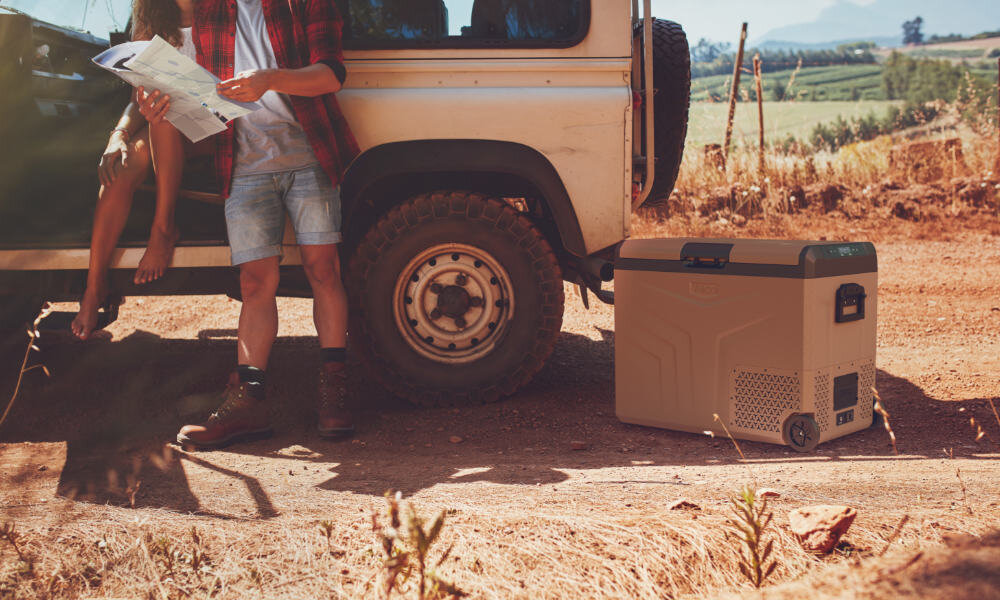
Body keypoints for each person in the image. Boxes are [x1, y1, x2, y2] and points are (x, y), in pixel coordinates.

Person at [174, 0, 360, 449]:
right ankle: (249, 403)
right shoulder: (211, 11)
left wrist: (269, 79)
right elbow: (193, 87)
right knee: (255, 282)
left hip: (311, 153)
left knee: (323, 270)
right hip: (243, 162)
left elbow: (331, 73)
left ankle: (335, 389)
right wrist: (161, 97)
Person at [71, 0, 199, 340]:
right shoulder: (152, 18)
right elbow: (137, 98)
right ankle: (94, 287)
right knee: (119, 165)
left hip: (211, 128)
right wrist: (119, 135)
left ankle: (163, 230)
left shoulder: (222, 12)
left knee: (165, 115)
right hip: (165, 126)